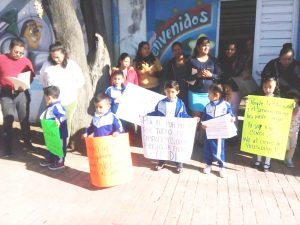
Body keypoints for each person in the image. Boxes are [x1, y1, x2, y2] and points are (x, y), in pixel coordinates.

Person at [39, 41, 85, 137]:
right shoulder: (47, 65)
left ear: (64, 54)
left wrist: (69, 88)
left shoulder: (71, 65)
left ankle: (62, 148)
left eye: (58, 57)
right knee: (51, 124)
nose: (55, 59)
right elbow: (42, 79)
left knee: (64, 125)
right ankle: (53, 147)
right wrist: (48, 93)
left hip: (68, 101)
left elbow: (80, 80)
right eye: (53, 57)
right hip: (52, 101)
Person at [0, 37, 35, 157]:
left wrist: (25, 85)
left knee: (24, 120)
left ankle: (27, 143)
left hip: (22, 94)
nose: (18, 55)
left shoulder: (26, 61)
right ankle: (6, 148)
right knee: (8, 120)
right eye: (16, 52)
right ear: (10, 48)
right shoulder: (1, 59)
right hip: (6, 93)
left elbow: (31, 76)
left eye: (21, 53)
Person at [148, 80, 191, 173]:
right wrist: (146, 116)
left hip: (175, 129)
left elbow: (184, 115)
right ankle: (161, 161)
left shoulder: (180, 103)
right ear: (164, 91)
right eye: (168, 91)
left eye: (172, 92)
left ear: (177, 92)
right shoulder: (161, 103)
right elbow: (155, 113)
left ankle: (178, 162)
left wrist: (192, 118)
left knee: (176, 145)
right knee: (163, 145)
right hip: (164, 129)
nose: (170, 94)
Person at [201, 83, 235, 178]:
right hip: (209, 133)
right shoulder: (207, 106)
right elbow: (204, 118)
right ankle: (208, 165)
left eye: (209, 94)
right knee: (207, 149)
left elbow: (231, 115)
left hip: (220, 134)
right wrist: (203, 124)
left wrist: (232, 119)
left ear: (216, 94)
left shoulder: (226, 105)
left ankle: (221, 167)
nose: (208, 96)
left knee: (219, 150)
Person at [186, 36, 221, 118]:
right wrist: (197, 75)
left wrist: (211, 75)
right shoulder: (192, 61)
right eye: (204, 45)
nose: (206, 47)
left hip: (210, 95)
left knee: (207, 121)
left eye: (208, 45)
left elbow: (219, 76)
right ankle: (195, 131)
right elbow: (187, 78)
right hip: (195, 94)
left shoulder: (213, 60)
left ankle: (202, 132)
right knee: (196, 121)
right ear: (198, 47)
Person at [253, 76, 279, 172]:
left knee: (269, 144)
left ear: (275, 86)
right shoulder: (259, 97)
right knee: (259, 142)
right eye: (265, 87)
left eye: (270, 87)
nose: (267, 89)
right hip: (260, 124)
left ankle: (267, 162)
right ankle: (258, 160)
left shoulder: (279, 99)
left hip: (271, 126)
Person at [39, 86, 68, 170]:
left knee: (59, 147)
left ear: (49, 97)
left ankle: (60, 162)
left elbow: (62, 115)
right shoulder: (51, 106)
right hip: (52, 133)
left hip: (60, 134)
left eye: (45, 97)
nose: (45, 100)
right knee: (52, 146)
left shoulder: (57, 106)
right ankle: (51, 160)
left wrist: (59, 121)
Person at [219, 41, 244, 117]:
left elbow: (237, 73)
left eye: (232, 49)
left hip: (234, 89)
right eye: (227, 49)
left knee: (233, 111)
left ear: (236, 50)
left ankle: (233, 128)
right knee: (223, 111)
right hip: (223, 89)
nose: (229, 51)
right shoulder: (221, 60)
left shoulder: (239, 60)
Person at [165, 41, 190, 111]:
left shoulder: (189, 60)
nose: (177, 51)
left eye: (178, 49)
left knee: (188, 109)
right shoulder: (171, 63)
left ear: (182, 49)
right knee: (178, 108)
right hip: (176, 90)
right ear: (173, 52)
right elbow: (169, 78)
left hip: (188, 89)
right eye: (175, 50)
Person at [285, 91, 300, 168]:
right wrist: (294, 109)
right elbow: (291, 116)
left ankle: (288, 159)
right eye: (293, 99)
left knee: (293, 146)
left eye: (296, 99)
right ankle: (283, 157)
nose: (295, 101)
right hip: (286, 130)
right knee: (286, 146)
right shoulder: (287, 108)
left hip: (295, 131)